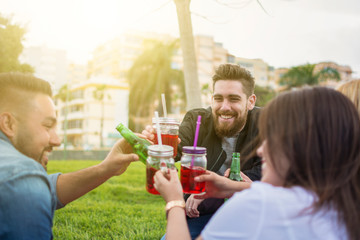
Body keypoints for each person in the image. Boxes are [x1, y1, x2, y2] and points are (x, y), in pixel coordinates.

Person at [154, 87, 360, 240]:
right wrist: (234, 187)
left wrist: (174, 201)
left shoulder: (261, 203)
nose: (261, 150)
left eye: (270, 138)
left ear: (299, 145)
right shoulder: (346, 204)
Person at [0, 72, 139, 239]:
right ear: (8, 123)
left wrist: (106, 169)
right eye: (47, 126)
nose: (57, 140)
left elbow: (44, 189)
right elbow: (25, 183)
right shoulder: (21, 178)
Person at [143, 64, 261, 239]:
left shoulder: (266, 122)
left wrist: (218, 186)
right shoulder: (196, 119)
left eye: (234, 99)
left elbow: (266, 173)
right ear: (211, 99)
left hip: (249, 215)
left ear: (250, 102)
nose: (225, 107)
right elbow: (176, 150)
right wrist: (157, 144)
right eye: (218, 98)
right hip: (202, 213)